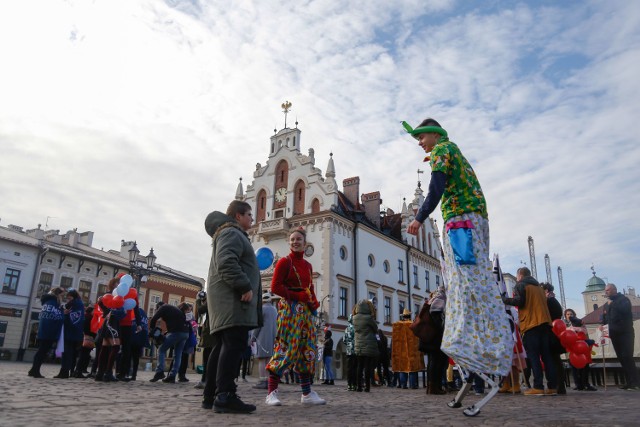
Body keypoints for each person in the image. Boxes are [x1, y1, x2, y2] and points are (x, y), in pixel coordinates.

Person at [404, 118, 512, 384]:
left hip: (461, 219)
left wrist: (420, 217)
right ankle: (485, 344)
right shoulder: (454, 152)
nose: (419, 143)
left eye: (421, 137)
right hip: (474, 218)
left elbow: (436, 186)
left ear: (435, 133)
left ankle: (479, 347)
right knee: (475, 276)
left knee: (466, 279)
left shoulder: (442, 150)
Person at [202, 200, 262, 413]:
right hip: (234, 301)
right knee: (233, 345)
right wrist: (244, 285)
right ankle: (225, 395)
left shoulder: (228, 234)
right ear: (238, 216)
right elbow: (226, 261)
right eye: (249, 214)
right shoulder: (232, 234)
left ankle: (211, 395)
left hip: (226, 301)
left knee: (221, 347)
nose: (252, 219)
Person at [265, 227, 326, 406]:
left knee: (307, 350)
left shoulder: (307, 265)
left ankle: (306, 394)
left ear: (304, 243)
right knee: (285, 347)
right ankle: (272, 392)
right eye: (292, 239)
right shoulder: (284, 262)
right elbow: (275, 287)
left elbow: (310, 288)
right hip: (290, 311)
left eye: (298, 239)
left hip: (305, 313)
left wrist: (314, 303)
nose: (295, 242)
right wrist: (297, 296)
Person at [502, 267, 558, 395]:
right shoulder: (538, 287)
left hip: (531, 323)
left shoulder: (521, 285)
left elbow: (519, 302)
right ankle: (552, 387)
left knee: (533, 356)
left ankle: (538, 386)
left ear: (520, 275)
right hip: (545, 323)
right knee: (547, 356)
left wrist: (504, 300)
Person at [601, 283, 639, 391]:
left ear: (614, 290)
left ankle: (636, 382)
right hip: (614, 334)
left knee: (627, 356)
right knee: (621, 358)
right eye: (605, 290)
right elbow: (605, 318)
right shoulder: (607, 304)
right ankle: (629, 382)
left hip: (625, 333)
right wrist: (602, 325)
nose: (606, 292)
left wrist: (612, 304)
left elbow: (624, 310)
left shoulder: (623, 299)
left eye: (608, 290)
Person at [149, 301, 189, 384]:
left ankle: (159, 372)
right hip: (185, 333)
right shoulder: (174, 309)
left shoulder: (163, 307)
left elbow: (154, 319)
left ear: (158, 307)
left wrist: (153, 330)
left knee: (161, 350)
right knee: (178, 354)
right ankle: (172, 376)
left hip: (176, 332)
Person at [28, 287, 65, 378]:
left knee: (41, 351)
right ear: (58, 294)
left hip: (43, 330)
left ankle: (33, 370)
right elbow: (57, 317)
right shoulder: (54, 303)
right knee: (42, 352)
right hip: (49, 331)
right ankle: (35, 371)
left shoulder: (47, 302)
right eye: (62, 295)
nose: (62, 298)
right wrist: (63, 313)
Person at [54, 288, 84, 379]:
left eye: (69, 298)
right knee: (69, 353)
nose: (68, 300)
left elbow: (73, 319)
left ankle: (64, 372)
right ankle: (65, 371)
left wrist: (64, 314)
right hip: (74, 333)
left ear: (73, 297)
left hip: (70, 332)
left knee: (67, 353)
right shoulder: (78, 304)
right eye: (67, 298)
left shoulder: (74, 305)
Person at [391, 309, 424, 389]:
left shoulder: (397, 326)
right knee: (412, 368)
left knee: (402, 367)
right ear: (409, 316)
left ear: (403, 316)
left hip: (401, 351)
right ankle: (413, 385)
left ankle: (403, 384)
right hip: (413, 350)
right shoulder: (413, 325)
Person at [564, 308, 596, 391]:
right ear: (565, 316)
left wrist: (588, 343)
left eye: (571, 314)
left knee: (585, 367)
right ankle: (578, 384)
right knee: (574, 368)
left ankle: (586, 384)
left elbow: (586, 335)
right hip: (572, 350)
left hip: (582, 348)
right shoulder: (566, 326)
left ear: (574, 315)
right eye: (568, 314)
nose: (569, 316)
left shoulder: (581, 324)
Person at [251, 292, 278, 390]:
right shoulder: (275, 309)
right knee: (268, 360)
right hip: (272, 338)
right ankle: (268, 380)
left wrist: (253, 337)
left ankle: (262, 380)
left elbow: (257, 325)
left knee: (262, 359)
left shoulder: (262, 309)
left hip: (262, 337)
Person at [353, 300, 380, 392]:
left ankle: (358, 386)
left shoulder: (354, 318)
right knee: (368, 367)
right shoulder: (369, 318)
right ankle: (367, 387)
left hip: (358, 345)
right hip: (368, 345)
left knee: (359, 366)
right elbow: (375, 328)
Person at [194, 290, 212, 389]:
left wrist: (198, 300)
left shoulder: (213, 297)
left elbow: (201, 310)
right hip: (221, 331)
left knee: (207, 358)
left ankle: (205, 380)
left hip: (210, 330)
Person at [73, 305, 95, 378]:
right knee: (84, 356)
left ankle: (77, 371)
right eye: (94, 311)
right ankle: (78, 372)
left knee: (82, 356)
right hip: (87, 338)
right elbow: (89, 329)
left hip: (82, 338)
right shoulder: (90, 318)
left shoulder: (85, 316)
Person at [344, 314, 357, 391]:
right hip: (355, 350)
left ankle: (349, 384)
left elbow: (344, 340)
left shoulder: (346, 329)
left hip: (348, 350)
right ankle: (354, 384)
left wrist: (348, 344)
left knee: (349, 368)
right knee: (355, 368)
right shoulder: (355, 329)